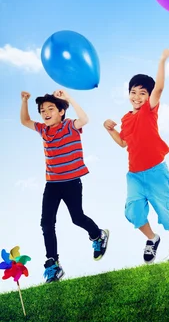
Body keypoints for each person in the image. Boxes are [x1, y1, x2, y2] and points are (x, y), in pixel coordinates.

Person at [104, 49, 169, 263]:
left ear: (148, 97)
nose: (137, 97)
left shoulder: (149, 111)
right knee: (133, 212)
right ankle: (152, 238)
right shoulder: (126, 118)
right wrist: (110, 129)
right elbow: (123, 143)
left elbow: (160, 88)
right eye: (133, 92)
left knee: (166, 211)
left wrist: (162, 60)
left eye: (142, 93)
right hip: (135, 175)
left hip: (156, 170)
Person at [21, 89, 108, 283]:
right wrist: (25, 101)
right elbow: (25, 121)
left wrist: (68, 98)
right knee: (46, 223)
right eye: (42, 110)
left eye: (51, 108)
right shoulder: (43, 130)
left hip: (71, 182)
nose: (45, 113)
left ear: (61, 112)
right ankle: (53, 264)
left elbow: (84, 119)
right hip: (52, 184)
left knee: (77, 218)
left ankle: (98, 236)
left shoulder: (70, 125)